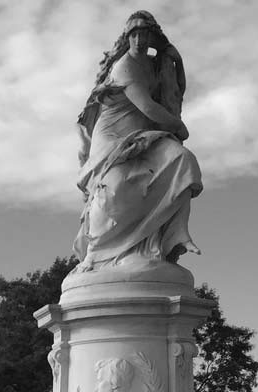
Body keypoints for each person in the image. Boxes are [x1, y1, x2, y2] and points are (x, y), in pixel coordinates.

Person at [72, 11, 202, 274]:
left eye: (145, 34)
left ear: (153, 38)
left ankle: (173, 237)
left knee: (182, 160)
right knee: (116, 185)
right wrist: (178, 126)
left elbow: (176, 92)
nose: (140, 40)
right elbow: (149, 108)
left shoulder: (154, 64)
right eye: (135, 34)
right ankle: (96, 253)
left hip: (144, 135)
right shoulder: (125, 66)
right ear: (127, 37)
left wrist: (178, 62)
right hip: (114, 136)